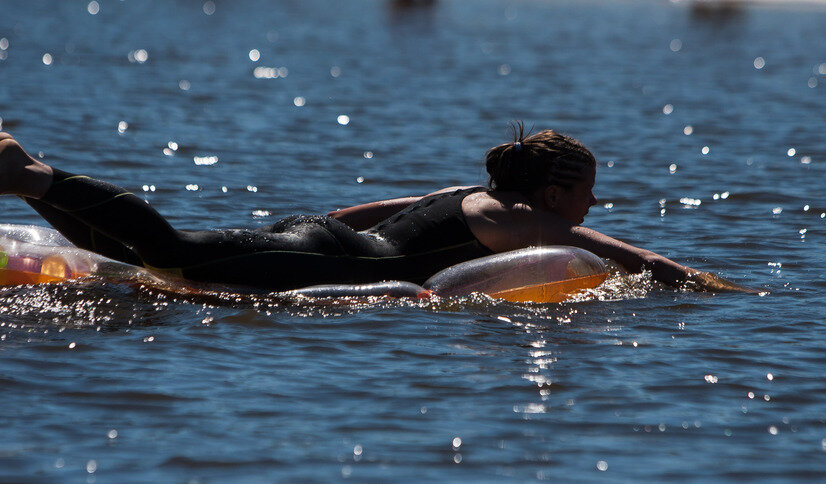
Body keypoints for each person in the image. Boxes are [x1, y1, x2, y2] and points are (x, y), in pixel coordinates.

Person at [0, 127, 751, 292]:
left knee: (150, 257)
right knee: (176, 254)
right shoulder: (541, 222)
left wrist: (304, 239)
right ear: (556, 194)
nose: (594, 201)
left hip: (316, 236)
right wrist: (716, 289)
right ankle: (32, 174)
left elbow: (354, 209)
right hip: (340, 261)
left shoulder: (459, 194)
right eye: (588, 189)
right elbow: (641, 260)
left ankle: (33, 179)